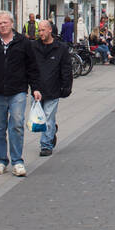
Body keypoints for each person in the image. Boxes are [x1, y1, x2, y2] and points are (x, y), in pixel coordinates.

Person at [0, 12, 40, 177]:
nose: (2, 26)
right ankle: (1, 160)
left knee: (17, 125)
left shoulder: (23, 42)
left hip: (17, 90)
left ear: (12, 23)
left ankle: (17, 161)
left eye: (5, 22)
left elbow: (32, 66)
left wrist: (36, 88)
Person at [31, 19, 72, 157]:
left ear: (50, 30)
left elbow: (66, 68)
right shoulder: (34, 47)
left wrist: (66, 86)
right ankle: (52, 130)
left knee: (48, 117)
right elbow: (29, 67)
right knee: (39, 119)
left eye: (43, 30)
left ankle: (46, 145)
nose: (40, 33)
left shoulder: (60, 48)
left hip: (53, 88)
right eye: (39, 30)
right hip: (37, 88)